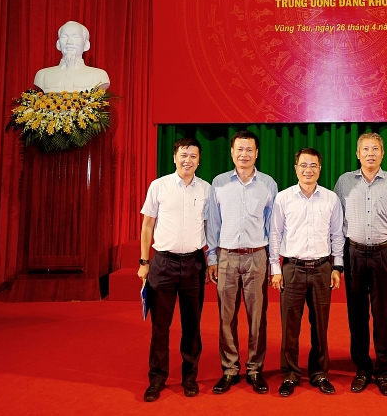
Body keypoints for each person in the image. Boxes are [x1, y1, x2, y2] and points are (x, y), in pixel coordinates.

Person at [334, 132, 387, 396]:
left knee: (382, 315)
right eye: (365, 149)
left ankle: (384, 371)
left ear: (382, 153)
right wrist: (337, 262)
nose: (370, 153)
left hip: (383, 254)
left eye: (375, 149)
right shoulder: (344, 182)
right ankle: (362, 369)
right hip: (353, 253)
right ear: (357, 154)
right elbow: (335, 223)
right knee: (356, 315)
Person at [138, 137, 211, 402]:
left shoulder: (207, 189)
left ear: (199, 160)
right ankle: (157, 379)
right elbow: (147, 225)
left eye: (193, 156)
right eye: (183, 155)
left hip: (194, 264)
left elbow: (209, 227)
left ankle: (189, 377)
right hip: (163, 264)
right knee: (161, 325)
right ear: (174, 157)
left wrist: (211, 261)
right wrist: (144, 262)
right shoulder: (159, 186)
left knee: (192, 324)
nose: (187, 160)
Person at [269, 147, 345, 397]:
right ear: (296, 169)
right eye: (303, 165)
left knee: (320, 325)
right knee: (290, 326)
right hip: (292, 268)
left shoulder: (331, 199)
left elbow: (337, 235)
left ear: (320, 169)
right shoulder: (283, 198)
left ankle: (319, 373)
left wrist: (337, 267)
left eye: (313, 165)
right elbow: (275, 234)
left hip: (322, 268)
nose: (308, 170)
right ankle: (290, 374)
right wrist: (275, 268)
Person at [206, 130, 277, 395]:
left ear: (257, 153)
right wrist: (212, 257)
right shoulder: (219, 183)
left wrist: (272, 261)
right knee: (226, 317)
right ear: (232, 152)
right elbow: (213, 223)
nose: (244, 154)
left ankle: (255, 369)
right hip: (226, 257)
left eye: (249, 150)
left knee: (257, 317)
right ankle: (230, 369)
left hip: (257, 256)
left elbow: (272, 226)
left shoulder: (268, 184)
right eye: (239, 149)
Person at [33, 20, 110, 92]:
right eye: (64, 37)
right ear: (58, 44)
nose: (69, 42)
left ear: (86, 45)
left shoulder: (99, 76)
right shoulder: (43, 75)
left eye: (75, 37)